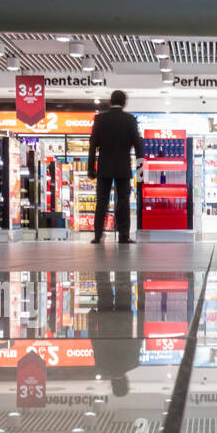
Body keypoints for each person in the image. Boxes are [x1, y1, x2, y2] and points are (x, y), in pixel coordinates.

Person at [88, 90, 143, 245]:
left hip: (104, 167)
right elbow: (138, 146)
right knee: (123, 201)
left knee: (102, 201)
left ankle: (98, 235)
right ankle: (123, 235)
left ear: (110, 102)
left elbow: (92, 146)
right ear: (124, 103)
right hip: (123, 168)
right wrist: (140, 170)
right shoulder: (130, 120)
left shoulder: (100, 119)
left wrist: (90, 168)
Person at [89, 268, 139, 397]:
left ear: (126, 382)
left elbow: (138, 339)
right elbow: (94, 340)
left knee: (123, 283)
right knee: (103, 285)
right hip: (105, 320)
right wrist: (92, 321)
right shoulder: (102, 365)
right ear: (113, 384)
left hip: (124, 318)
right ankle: (100, 252)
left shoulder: (132, 362)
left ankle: (123, 250)